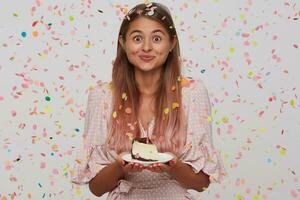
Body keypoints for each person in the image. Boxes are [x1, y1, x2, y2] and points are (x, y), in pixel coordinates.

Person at [71, 2, 226, 199]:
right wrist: (120, 166)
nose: (146, 47)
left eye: (156, 38)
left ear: (171, 44)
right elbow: (97, 188)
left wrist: (173, 166)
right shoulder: (101, 97)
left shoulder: (192, 93)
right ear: (123, 43)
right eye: (137, 38)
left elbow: (202, 184)